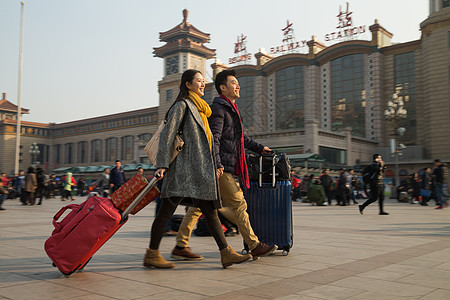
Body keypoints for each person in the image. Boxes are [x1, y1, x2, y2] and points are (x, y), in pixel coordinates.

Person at [145, 69, 251, 269]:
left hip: (200, 171)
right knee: (166, 212)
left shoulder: (202, 109)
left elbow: (209, 142)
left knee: (210, 212)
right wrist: (161, 165)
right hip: (182, 171)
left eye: (204, 81)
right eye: (199, 81)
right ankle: (152, 254)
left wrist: (215, 164)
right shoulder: (182, 105)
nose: (203, 84)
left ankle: (226, 253)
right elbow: (168, 136)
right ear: (188, 84)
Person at [171, 69, 277, 262]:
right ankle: (254, 245)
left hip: (219, 166)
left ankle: (181, 245)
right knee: (239, 203)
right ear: (223, 88)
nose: (238, 85)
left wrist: (261, 149)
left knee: (198, 207)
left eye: (238, 82)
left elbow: (241, 139)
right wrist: (218, 164)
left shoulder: (231, 109)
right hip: (221, 168)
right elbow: (215, 139)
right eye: (234, 82)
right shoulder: (220, 110)